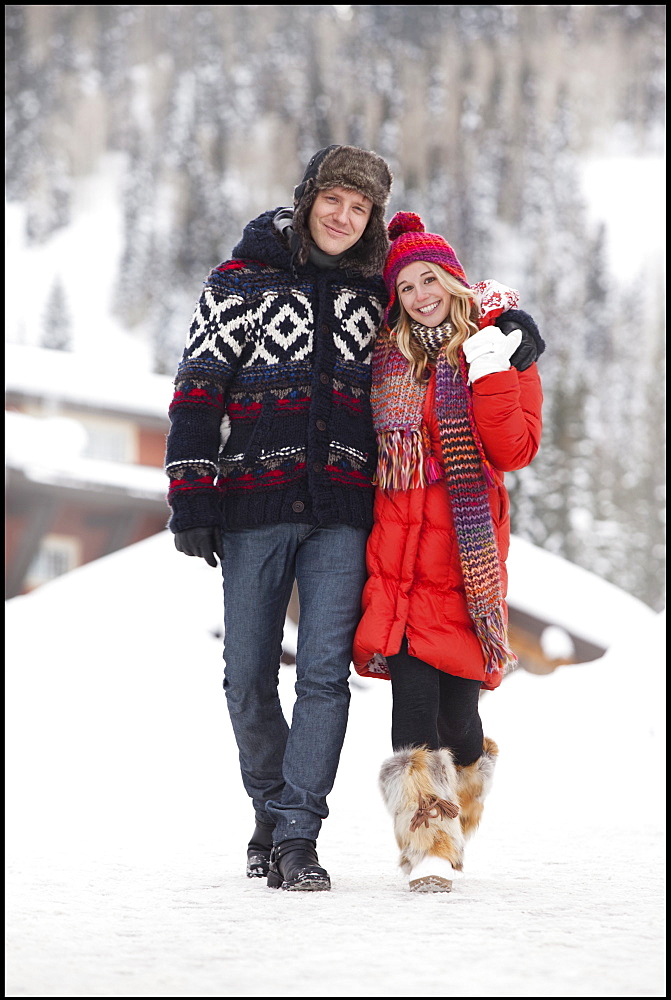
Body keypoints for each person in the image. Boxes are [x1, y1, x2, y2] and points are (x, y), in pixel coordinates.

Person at [164, 145, 393, 891]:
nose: (343, 216)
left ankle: (297, 835)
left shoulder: (376, 287)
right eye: (334, 199)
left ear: (371, 220)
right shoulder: (240, 280)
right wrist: (191, 493)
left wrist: (508, 320)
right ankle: (269, 807)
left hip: (342, 511)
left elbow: (443, 295)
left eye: (359, 208)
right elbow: (199, 388)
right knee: (246, 677)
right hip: (252, 505)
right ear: (306, 199)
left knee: (323, 677)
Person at [352, 211, 544, 892]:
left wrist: (494, 365)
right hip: (398, 551)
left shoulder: (498, 348)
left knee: (458, 718)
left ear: (453, 281)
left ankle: (463, 790)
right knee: (411, 713)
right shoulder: (383, 358)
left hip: (464, 558)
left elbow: (513, 450)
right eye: (404, 286)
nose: (418, 294)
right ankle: (428, 847)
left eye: (428, 278)